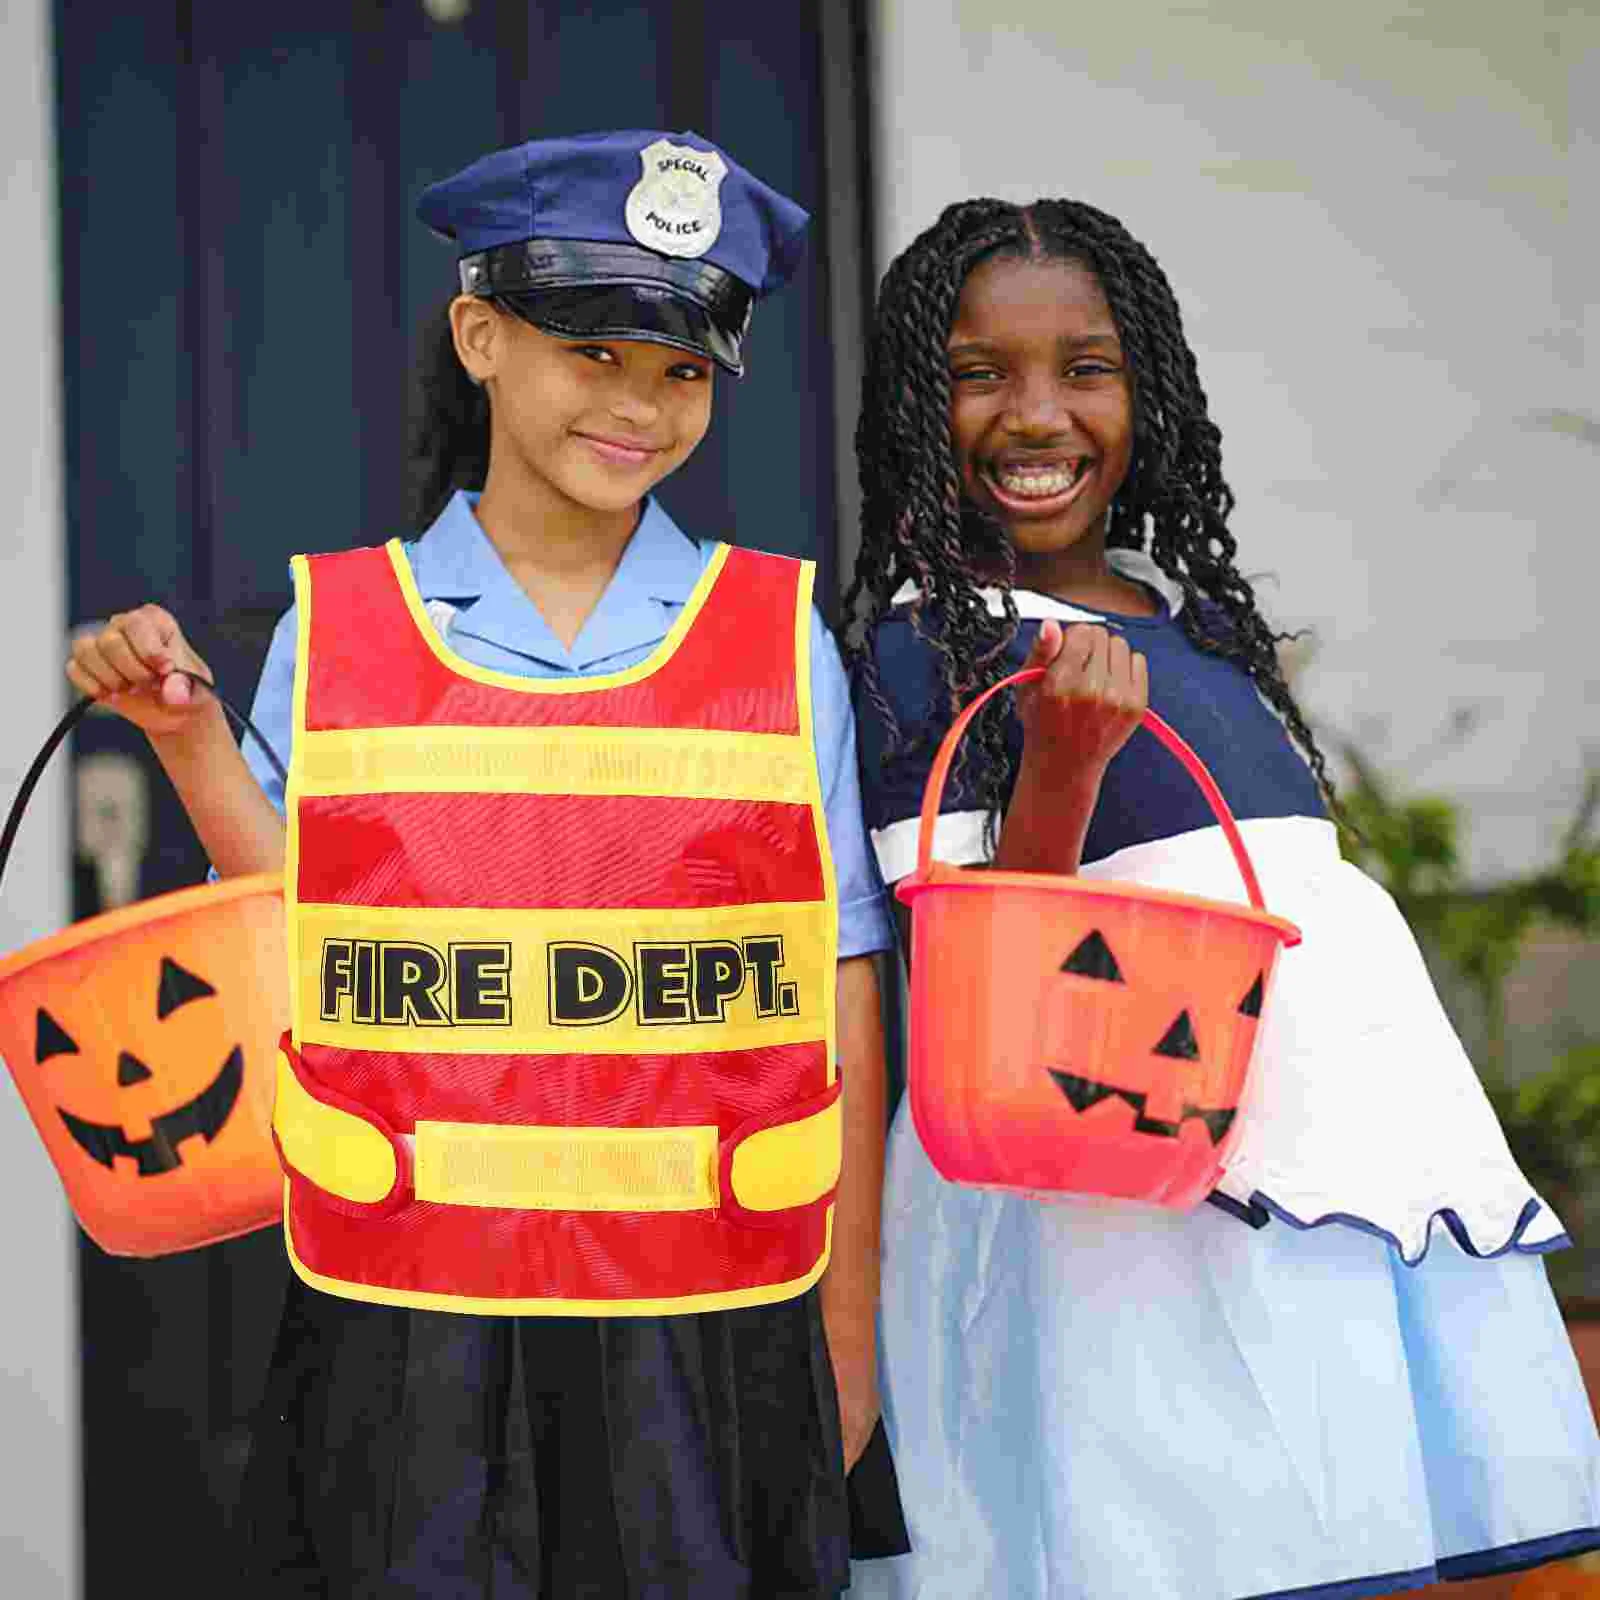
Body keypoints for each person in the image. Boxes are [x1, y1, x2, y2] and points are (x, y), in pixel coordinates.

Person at [66, 128, 908, 1598]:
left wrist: (848, 1329)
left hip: (709, 1329)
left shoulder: (779, 641)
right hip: (409, 1330)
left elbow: (837, 987)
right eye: (595, 350)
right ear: (481, 337)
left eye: (684, 367)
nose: (639, 403)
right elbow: (288, 938)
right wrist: (186, 743)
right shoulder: (337, 630)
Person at [842, 195, 1600, 1600]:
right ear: (909, 405)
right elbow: (978, 983)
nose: (1036, 414)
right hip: (1104, 1221)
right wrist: (1063, 766)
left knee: (1312, 1534)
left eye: (1086, 367)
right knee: (1149, 1540)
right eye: (977, 373)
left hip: (1291, 1186)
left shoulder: (1194, 628)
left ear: (1152, 395)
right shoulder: (920, 656)